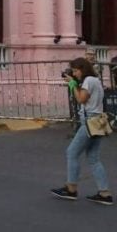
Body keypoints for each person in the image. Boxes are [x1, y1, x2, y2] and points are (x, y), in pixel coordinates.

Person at [51, 58, 113, 205]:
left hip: (90, 122)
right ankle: (104, 193)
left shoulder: (88, 81)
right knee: (93, 158)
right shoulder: (95, 80)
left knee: (71, 153)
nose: (74, 73)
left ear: (82, 69)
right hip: (98, 121)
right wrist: (75, 83)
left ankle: (71, 189)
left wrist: (73, 85)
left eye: (75, 71)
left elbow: (81, 99)